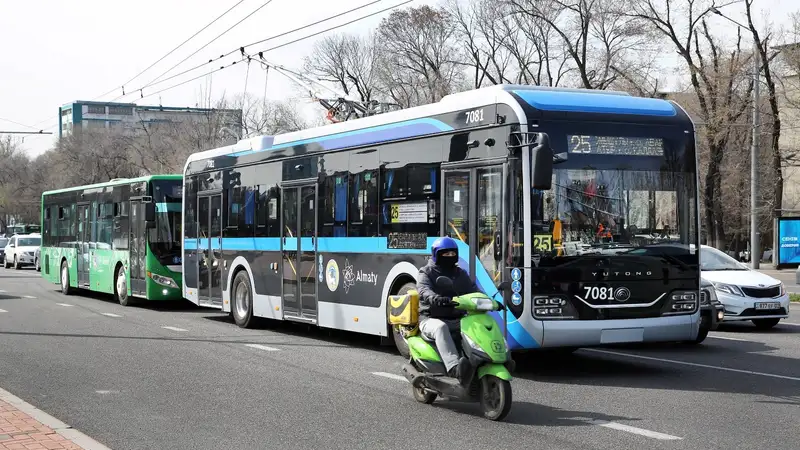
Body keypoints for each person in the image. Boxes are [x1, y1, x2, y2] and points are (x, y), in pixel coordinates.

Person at [416, 236, 478, 383]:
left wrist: (490, 300)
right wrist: (435, 298)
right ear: (436, 254)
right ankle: (454, 367)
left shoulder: (460, 273)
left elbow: (473, 290)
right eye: (445, 254)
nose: (450, 257)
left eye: (452, 254)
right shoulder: (426, 272)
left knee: (478, 324)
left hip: (457, 317)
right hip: (431, 318)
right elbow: (424, 290)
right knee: (441, 327)